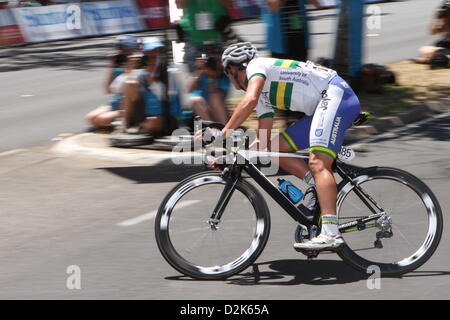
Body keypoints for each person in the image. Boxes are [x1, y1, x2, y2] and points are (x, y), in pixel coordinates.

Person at [216, 42, 361, 250]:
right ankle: (317, 187)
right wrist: (231, 157)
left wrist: (224, 132)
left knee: (318, 163)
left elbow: (249, 99)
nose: (230, 80)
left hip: (336, 96)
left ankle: (331, 234)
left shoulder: (256, 66)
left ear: (232, 69)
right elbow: (263, 141)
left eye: (228, 74)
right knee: (276, 149)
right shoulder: (261, 92)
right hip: (324, 105)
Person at [85, 34, 139, 130]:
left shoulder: (139, 63)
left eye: (124, 48)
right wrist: (111, 67)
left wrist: (132, 66)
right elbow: (108, 90)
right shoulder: (118, 66)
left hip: (128, 104)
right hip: (115, 102)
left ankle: (125, 120)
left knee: (102, 119)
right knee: (91, 118)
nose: (122, 52)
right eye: (121, 48)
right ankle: (117, 120)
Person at [117, 37, 167, 135]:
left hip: (162, 113)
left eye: (155, 51)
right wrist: (130, 69)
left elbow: (164, 96)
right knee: (129, 84)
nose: (152, 54)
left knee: (153, 124)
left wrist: (151, 79)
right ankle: (127, 123)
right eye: (149, 51)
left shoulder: (167, 72)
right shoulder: (140, 72)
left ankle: (140, 125)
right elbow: (116, 88)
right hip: (144, 112)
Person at [187, 53, 230, 124]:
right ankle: (210, 129)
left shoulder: (224, 79)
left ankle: (225, 129)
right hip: (205, 111)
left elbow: (220, 93)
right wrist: (199, 70)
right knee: (195, 101)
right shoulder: (202, 75)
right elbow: (189, 90)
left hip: (220, 112)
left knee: (214, 98)